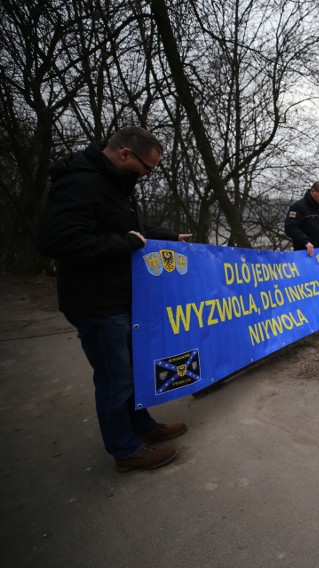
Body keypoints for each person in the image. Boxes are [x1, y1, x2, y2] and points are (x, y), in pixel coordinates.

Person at [36, 126, 192, 472]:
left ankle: (143, 428)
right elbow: (56, 241)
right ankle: (125, 451)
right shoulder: (80, 183)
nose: (148, 175)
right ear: (125, 154)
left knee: (134, 371)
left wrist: (164, 237)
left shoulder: (115, 185)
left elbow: (126, 230)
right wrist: (126, 244)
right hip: (95, 303)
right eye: (147, 167)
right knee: (114, 379)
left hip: (121, 297)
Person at [285, 180, 319, 257]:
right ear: (313, 191)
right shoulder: (298, 207)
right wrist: (305, 241)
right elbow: (290, 228)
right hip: (304, 253)